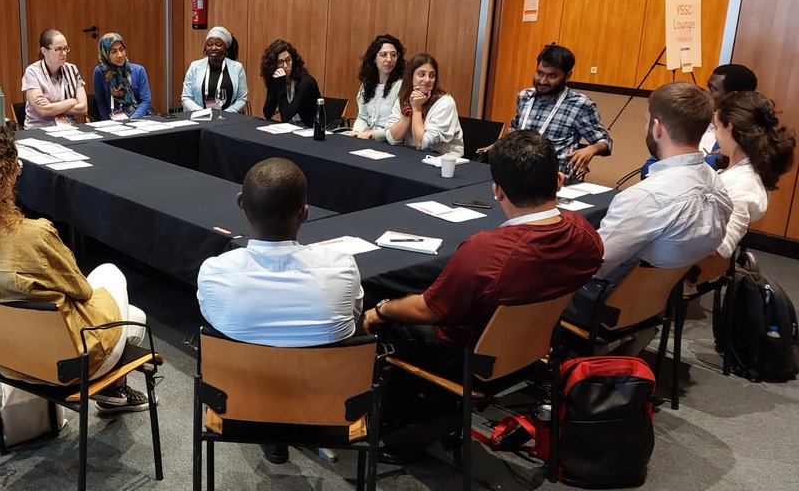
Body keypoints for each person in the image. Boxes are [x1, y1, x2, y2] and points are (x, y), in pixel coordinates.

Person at [0, 118, 150, 414]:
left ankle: (114, 392)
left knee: (134, 315)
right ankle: (113, 390)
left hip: (5, 358)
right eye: (16, 168)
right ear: (1, 176)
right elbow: (81, 290)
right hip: (70, 365)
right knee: (112, 275)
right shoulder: (32, 235)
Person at [363, 130, 602, 376]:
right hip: (535, 344)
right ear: (559, 181)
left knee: (380, 321)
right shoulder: (585, 233)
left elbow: (428, 310)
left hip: (469, 355)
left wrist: (382, 308)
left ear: (497, 191)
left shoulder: (485, 251)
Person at [198, 157, 362, 464]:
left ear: (240, 203)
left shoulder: (214, 272)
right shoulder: (341, 267)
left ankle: (273, 435)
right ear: (305, 212)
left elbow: (215, 323)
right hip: (325, 405)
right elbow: (353, 321)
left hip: (239, 406)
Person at [566, 82, 733, 325]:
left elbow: (593, 266)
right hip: (656, 301)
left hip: (604, 305)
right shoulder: (716, 183)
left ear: (657, 127)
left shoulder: (646, 198)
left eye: (647, 120)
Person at [480, 44, 611, 180]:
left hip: (553, 181)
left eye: (552, 76)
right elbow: (516, 128)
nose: (543, 80)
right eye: (540, 73)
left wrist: (591, 149)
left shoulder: (581, 104)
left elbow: (605, 142)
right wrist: (500, 144)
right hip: (516, 174)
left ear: (567, 76)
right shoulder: (525, 96)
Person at [711, 91, 795, 258]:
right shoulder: (738, 171)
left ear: (730, 128)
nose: (715, 134)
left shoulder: (745, 184)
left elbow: (721, 246)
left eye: (717, 126)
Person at [385, 53, 464, 157]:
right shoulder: (405, 97)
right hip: (413, 156)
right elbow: (392, 138)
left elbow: (422, 144)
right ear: (410, 76)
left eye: (432, 75)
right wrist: (409, 113)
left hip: (443, 160)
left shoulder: (445, 102)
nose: (427, 80)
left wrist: (417, 108)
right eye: (422, 74)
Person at [21, 28, 87, 129]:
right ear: (44, 51)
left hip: (68, 128)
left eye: (65, 48)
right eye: (58, 49)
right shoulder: (32, 72)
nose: (64, 53)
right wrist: (71, 102)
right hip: (40, 129)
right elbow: (44, 111)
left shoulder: (72, 69)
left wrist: (53, 106)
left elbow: (83, 108)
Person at [347, 34, 405, 140]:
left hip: (389, 141)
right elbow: (362, 117)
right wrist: (356, 132)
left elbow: (400, 124)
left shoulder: (401, 86)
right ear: (374, 58)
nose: (389, 59)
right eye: (383, 55)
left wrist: (373, 134)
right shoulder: (367, 84)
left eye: (393, 55)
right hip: (366, 138)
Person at [181, 26, 248, 114]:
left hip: (229, 119)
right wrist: (203, 113)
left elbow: (242, 98)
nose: (213, 48)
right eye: (209, 44)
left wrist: (226, 114)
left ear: (225, 48)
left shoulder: (237, 68)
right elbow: (186, 97)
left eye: (218, 45)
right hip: (200, 117)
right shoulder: (195, 66)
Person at [259, 39, 322, 127]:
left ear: (293, 60)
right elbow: (268, 113)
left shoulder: (306, 82)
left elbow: (286, 116)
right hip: (291, 128)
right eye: (280, 62)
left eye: (288, 60)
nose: (285, 66)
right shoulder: (276, 78)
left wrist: (281, 86)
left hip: (309, 129)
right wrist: (274, 85)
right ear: (274, 65)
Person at [92, 32, 152, 120]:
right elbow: (101, 102)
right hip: (114, 121)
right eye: (114, 52)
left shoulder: (138, 70)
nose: (120, 55)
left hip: (139, 118)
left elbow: (146, 101)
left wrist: (132, 120)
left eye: (122, 49)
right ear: (105, 54)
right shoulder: (100, 72)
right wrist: (107, 124)